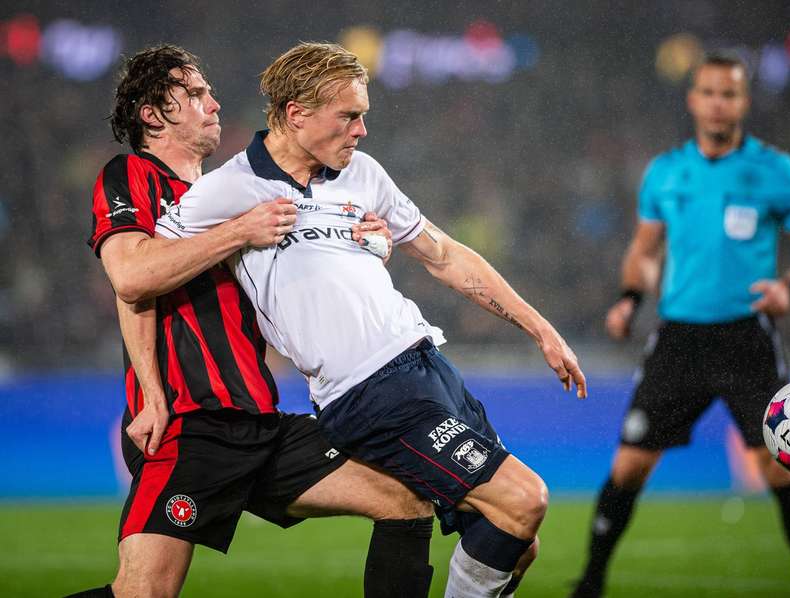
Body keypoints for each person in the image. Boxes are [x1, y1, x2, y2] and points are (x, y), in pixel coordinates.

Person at [155, 42, 588, 598]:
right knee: (523, 498)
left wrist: (541, 329)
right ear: (296, 113)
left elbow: (445, 254)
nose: (360, 131)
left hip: (428, 366)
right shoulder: (233, 187)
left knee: (515, 539)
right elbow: (139, 270)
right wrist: (234, 235)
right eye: (349, 116)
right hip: (367, 392)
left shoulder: (362, 174)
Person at [71, 45, 435, 598]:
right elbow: (131, 278)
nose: (213, 104)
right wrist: (150, 393)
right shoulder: (132, 175)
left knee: (406, 498)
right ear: (150, 113)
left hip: (259, 420)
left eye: (209, 92)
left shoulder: (234, 188)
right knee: (143, 593)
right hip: (189, 424)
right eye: (193, 94)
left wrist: (368, 242)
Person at [570, 54, 790, 598]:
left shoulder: (776, 172)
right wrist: (628, 299)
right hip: (678, 340)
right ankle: (591, 584)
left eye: (730, 94)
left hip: (745, 339)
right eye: (709, 93)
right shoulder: (666, 172)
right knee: (628, 467)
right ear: (693, 100)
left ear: (744, 102)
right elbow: (645, 251)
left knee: (781, 469)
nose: (719, 103)